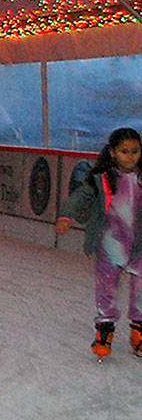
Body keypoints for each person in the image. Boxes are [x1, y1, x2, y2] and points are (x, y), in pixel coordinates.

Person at [56, 127, 142, 361]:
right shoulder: (101, 178)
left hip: (139, 244)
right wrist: (66, 216)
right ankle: (105, 330)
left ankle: (139, 330)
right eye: (124, 151)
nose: (131, 156)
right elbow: (79, 196)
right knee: (107, 288)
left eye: (135, 151)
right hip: (109, 244)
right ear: (113, 153)